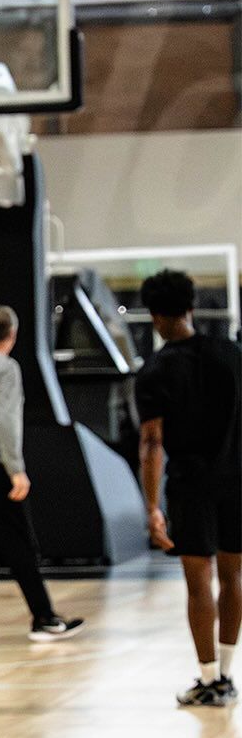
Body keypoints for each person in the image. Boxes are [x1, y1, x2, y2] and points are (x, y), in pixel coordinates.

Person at [136, 269, 240, 707]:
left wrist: (152, 507)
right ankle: (229, 676)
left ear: (156, 316)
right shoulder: (233, 354)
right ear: (191, 306)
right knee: (234, 577)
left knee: (199, 585)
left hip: (190, 486)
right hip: (237, 479)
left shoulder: (155, 370)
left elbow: (152, 443)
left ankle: (208, 678)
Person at [0, 305, 85, 645]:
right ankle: (43, 618)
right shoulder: (6, 368)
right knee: (19, 542)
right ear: (12, 334)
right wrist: (16, 470)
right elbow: (7, 422)